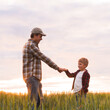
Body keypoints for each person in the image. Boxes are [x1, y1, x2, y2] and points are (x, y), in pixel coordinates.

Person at [22, 27, 65, 109]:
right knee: (34, 103)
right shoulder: (31, 45)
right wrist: (57, 68)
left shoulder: (31, 45)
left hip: (35, 78)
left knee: (39, 102)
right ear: (35, 35)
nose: (41, 39)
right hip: (32, 77)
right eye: (40, 36)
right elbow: (44, 58)